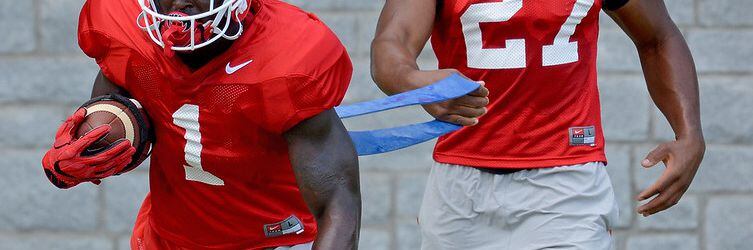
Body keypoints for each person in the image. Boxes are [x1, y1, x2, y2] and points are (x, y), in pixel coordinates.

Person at [371, 0, 705, 249]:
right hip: (461, 187)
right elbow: (391, 43)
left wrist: (689, 133)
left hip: (566, 181)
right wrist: (416, 83)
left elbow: (658, 37)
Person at [41, 0, 361, 249]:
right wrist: (81, 155)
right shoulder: (125, 27)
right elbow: (121, 116)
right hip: (169, 236)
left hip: (269, 239)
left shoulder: (289, 54)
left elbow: (338, 201)